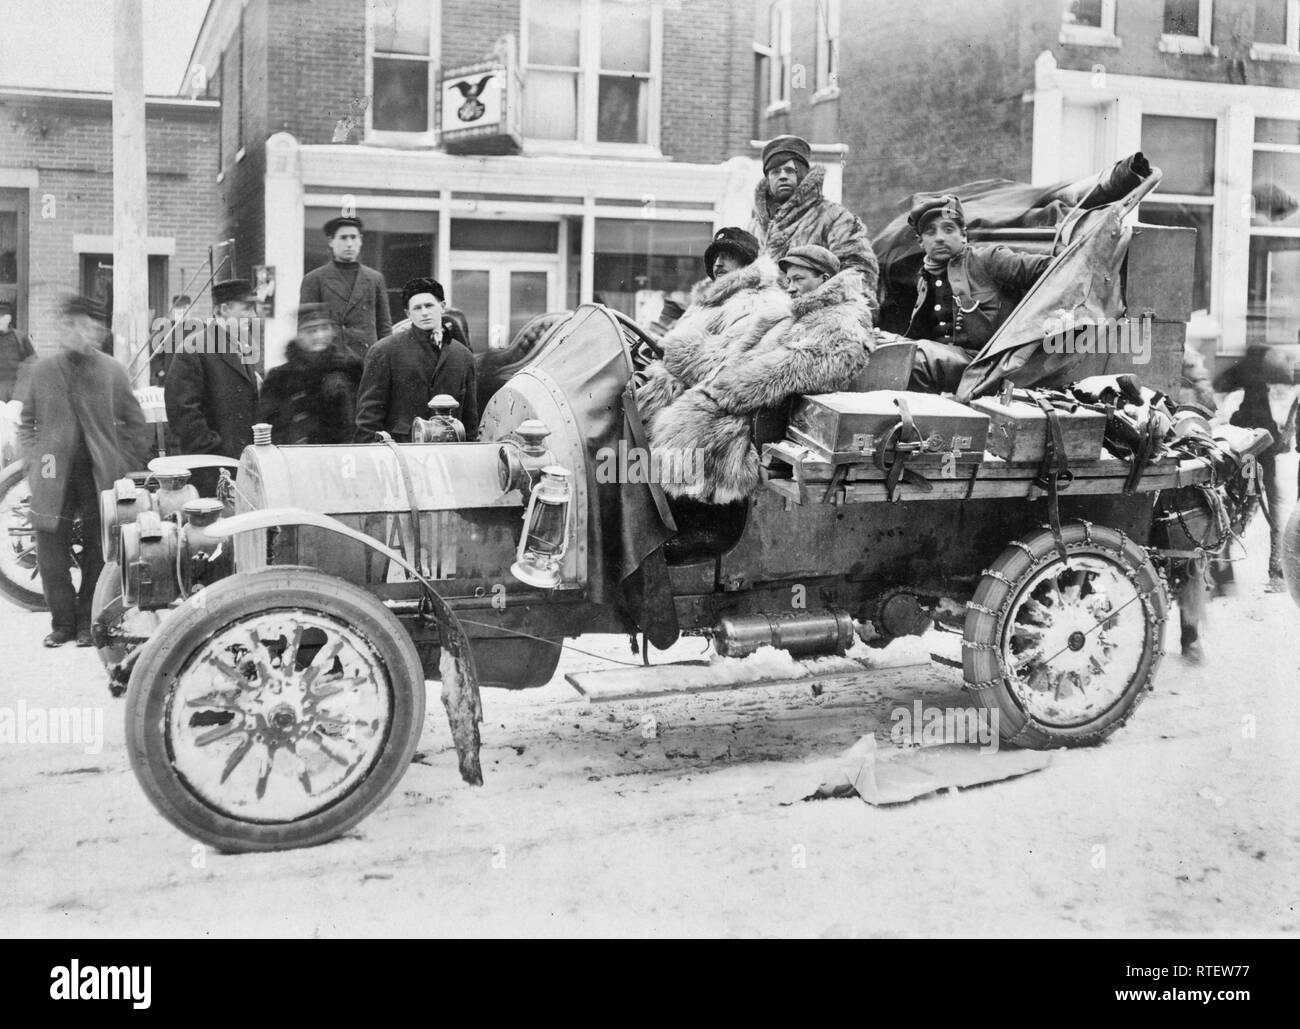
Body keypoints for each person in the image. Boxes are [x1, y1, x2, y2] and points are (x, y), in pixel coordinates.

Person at [647, 243, 872, 505]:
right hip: (748, 401)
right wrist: (685, 354)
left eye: (799, 279)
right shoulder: (792, 312)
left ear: (824, 279)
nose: (790, 287)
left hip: (768, 415)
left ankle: (698, 513)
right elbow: (735, 350)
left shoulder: (842, 319)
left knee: (688, 434)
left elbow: (797, 367)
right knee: (670, 413)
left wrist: (724, 391)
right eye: (788, 280)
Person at [18, 295, 149, 647]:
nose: (80, 333)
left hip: (97, 475)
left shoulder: (112, 370)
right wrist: (33, 460)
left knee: (97, 550)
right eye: (71, 325)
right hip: (51, 476)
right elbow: (26, 422)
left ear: (96, 331)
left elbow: (136, 424)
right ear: (62, 328)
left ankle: (85, 624)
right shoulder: (41, 370)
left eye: (87, 326)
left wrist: (121, 465)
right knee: (51, 553)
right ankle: (61, 623)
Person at [635, 227, 791, 431]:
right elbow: (674, 340)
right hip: (664, 392)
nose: (718, 263)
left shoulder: (760, 301)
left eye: (727, 256)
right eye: (716, 256)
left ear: (747, 262)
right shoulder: (708, 300)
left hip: (710, 412)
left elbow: (728, 365)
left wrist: (673, 352)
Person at [903, 193, 1051, 394]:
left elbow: (1050, 268)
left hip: (984, 365)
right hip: (942, 367)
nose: (939, 237)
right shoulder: (924, 279)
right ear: (921, 241)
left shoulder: (988, 260)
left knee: (914, 357)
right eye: (930, 232)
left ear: (963, 234)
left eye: (948, 229)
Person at [749, 134, 879, 311]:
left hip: (813, 319)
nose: (782, 176)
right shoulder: (755, 226)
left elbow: (859, 275)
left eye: (789, 170)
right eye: (775, 172)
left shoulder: (834, 218)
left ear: (803, 174)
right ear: (768, 178)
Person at [164, 278, 261, 495]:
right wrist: (215, 449)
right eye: (246, 308)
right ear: (224, 309)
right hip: (212, 471)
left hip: (242, 468)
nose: (253, 316)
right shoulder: (193, 349)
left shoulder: (243, 349)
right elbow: (183, 413)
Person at [1213, 344, 1297, 593]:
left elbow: (1220, 383)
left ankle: (1224, 574)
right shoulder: (1269, 378)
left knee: (1236, 508)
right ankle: (1276, 572)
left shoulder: (1244, 374)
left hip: (1245, 452)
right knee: (1274, 510)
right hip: (1265, 454)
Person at [354, 277, 479, 443]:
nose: (424, 313)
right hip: (400, 452)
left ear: (442, 307)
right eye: (417, 308)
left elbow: (470, 420)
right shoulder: (384, 351)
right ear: (408, 314)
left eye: (429, 306)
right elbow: (369, 417)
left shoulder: (463, 356)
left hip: (448, 453)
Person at [258, 304, 364, 445]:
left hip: (343, 455)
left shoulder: (350, 369)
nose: (319, 336)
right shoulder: (280, 377)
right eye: (311, 331)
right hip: (296, 457)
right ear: (299, 335)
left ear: (333, 332)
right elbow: (269, 425)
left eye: (324, 329)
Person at [298, 216, 393, 364]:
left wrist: (386, 363)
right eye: (343, 238)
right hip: (330, 363)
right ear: (331, 242)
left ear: (360, 240)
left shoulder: (375, 279)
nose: (349, 244)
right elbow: (305, 330)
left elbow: (384, 328)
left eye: (353, 237)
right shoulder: (314, 279)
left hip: (368, 362)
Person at [0, 301, 36, 402]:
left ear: (8, 319)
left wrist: (22, 390)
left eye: (2, 318)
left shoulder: (20, 337)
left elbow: (32, 362)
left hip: (16, 388)